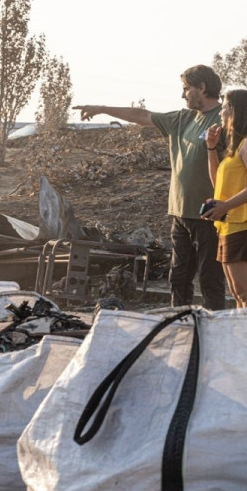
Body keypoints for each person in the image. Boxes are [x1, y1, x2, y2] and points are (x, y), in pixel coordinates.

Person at [73, 65, 227, 310]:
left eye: (186, 89)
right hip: (180, 212)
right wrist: (102, 108)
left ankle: (216, 331)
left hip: (210, 213)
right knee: (178, 277)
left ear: (203, 88)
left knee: (210, 280)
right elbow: (142, 116)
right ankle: (181, 324)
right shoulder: (182, 119)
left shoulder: (224, 119)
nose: (182, 95)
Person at [201, 89, 247, 308]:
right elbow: (217, 186)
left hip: (246, 224)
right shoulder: (235, 147)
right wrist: (211, 149)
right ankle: (245, 339)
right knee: (237, 293)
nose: (221, 112)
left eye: (224, 107)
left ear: (234, 111)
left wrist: (226, 206)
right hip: (229, 225)